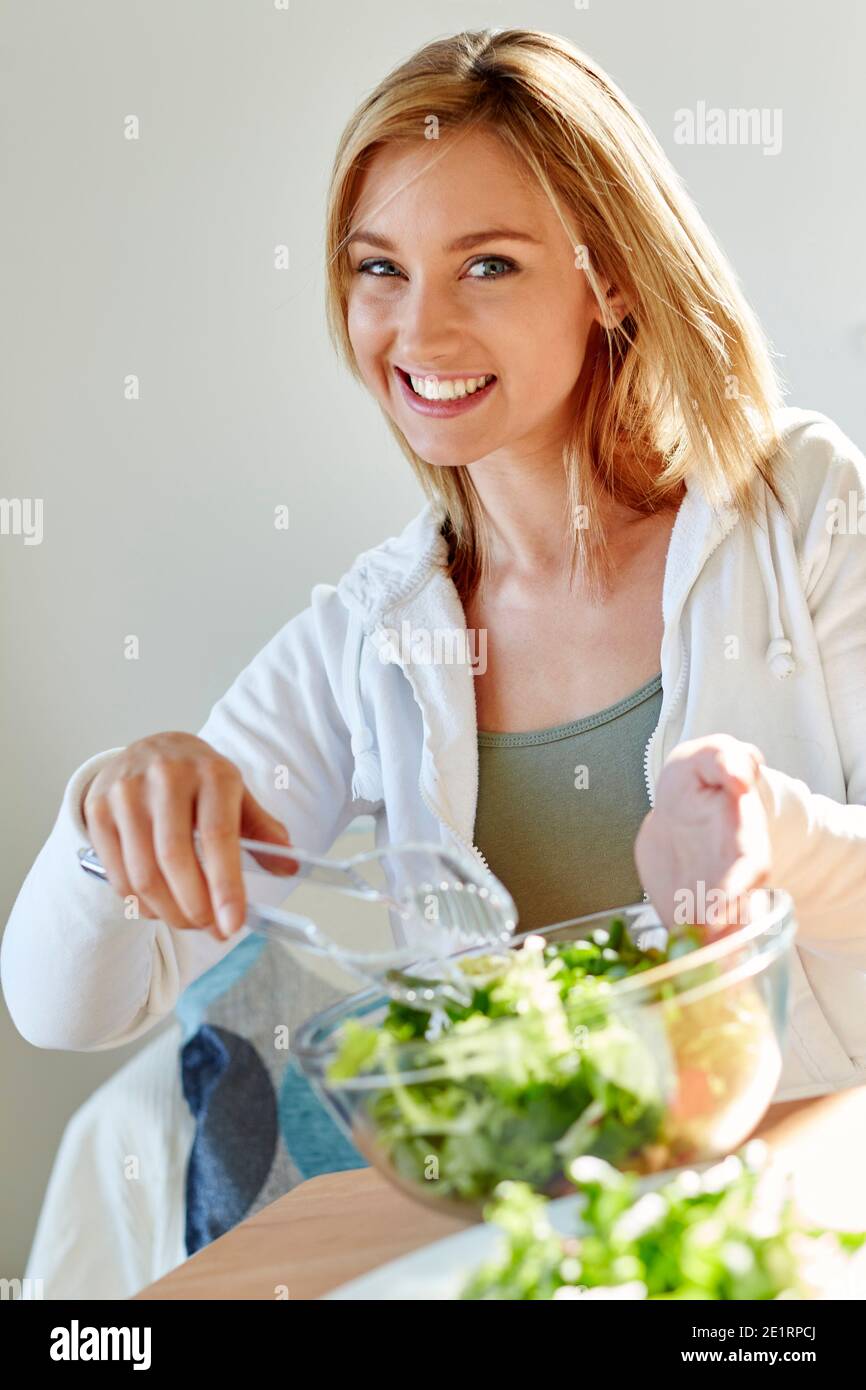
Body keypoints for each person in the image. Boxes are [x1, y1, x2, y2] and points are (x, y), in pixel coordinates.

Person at [3, 28, 866, 1103]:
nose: (418, 328)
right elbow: (69, 1008)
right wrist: (106, 814)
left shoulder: (801, 507)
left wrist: (762, 837)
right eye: (380, 269)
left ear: (614, 281)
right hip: (543, 1237)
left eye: (487, 265)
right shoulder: (370, 641)